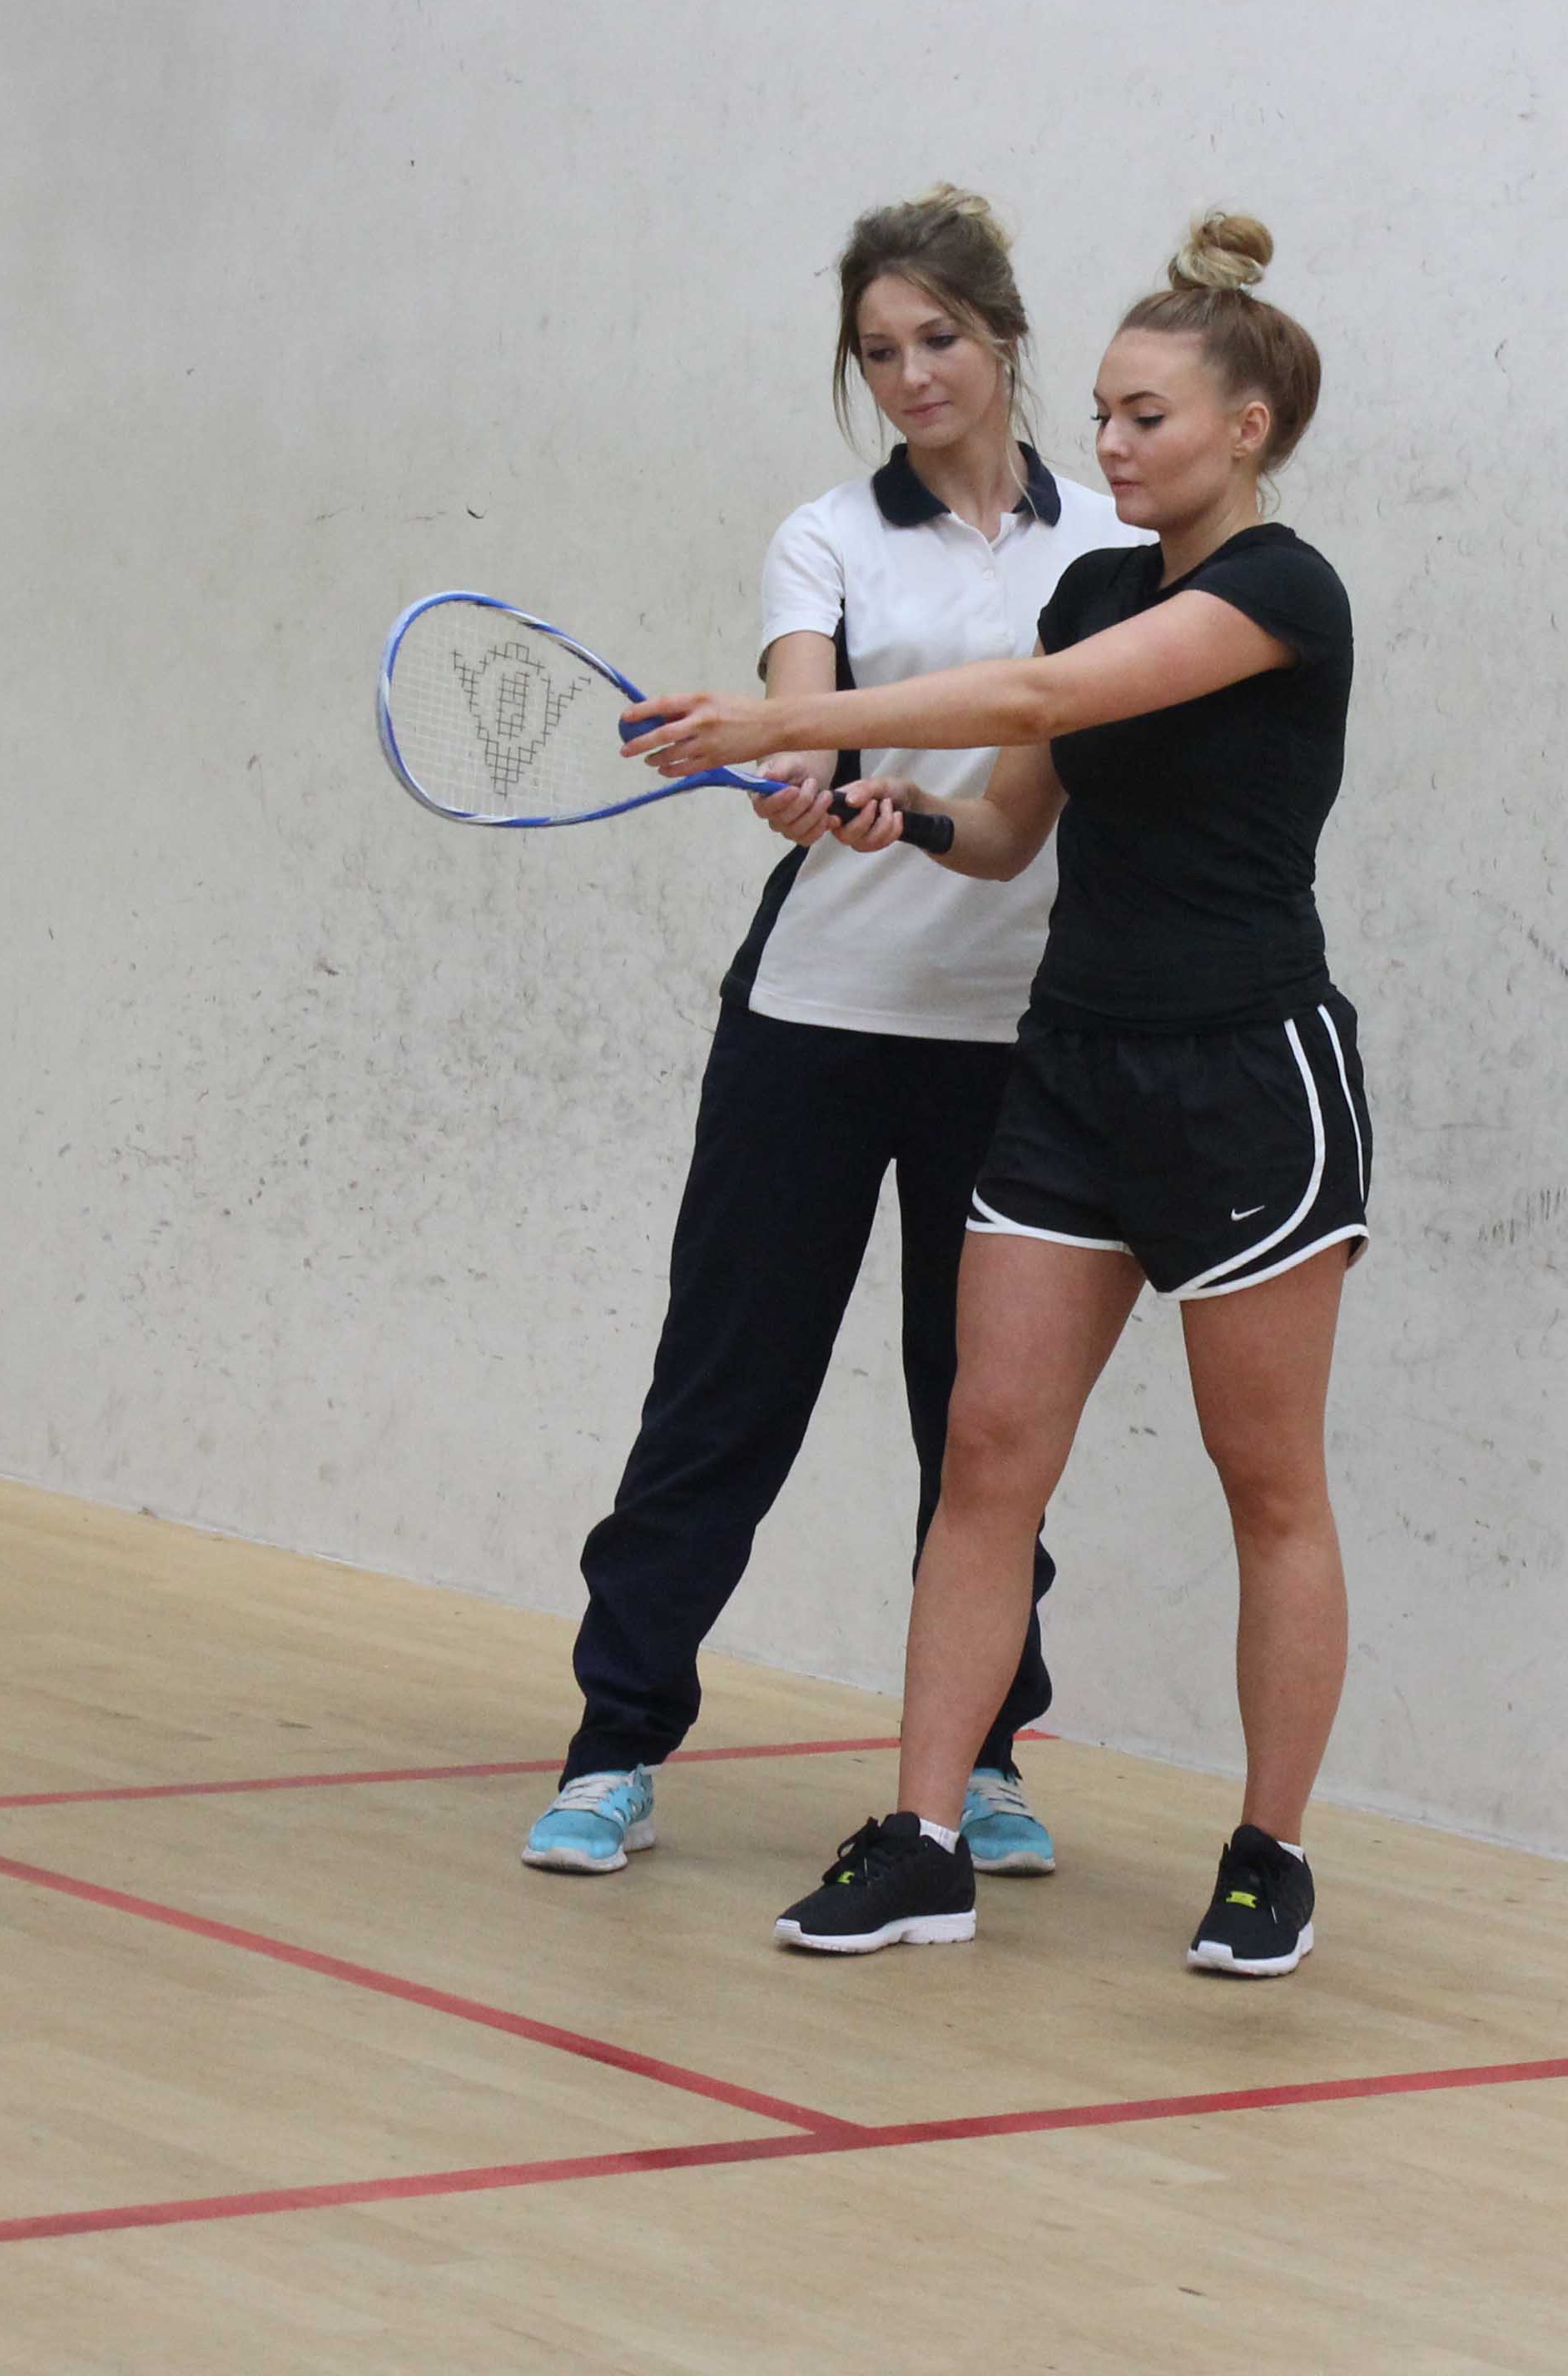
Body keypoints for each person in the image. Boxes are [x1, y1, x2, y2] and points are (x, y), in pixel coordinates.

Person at [627, 211, 1364, 1977]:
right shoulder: (1095, 583)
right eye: (1102, 413)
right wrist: (903, 815)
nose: (1110, 444)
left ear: (1247, 427)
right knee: (984, 1457)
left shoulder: (1283, 593)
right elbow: (1014, 825)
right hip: (1072, 1071)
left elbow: (1044, 695)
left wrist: (784, 727)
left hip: (1244, 1077)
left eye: (1146, 418)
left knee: (1266, 1481)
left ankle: (1268, 1853)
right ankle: (925, 1838)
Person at [525, 186, 1130, 1878]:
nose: (911, 375)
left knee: (983, 1422)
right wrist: (794, 770)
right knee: (726, 1394)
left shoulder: (1108, 546)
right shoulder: (827, 538)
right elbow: (804, 707)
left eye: (939, 338)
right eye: (877, 352)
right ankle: (615, 1744)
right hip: (815, 1021)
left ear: (1006, 336)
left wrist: (883, 776)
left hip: (1019, 1041)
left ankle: (984, 1756)